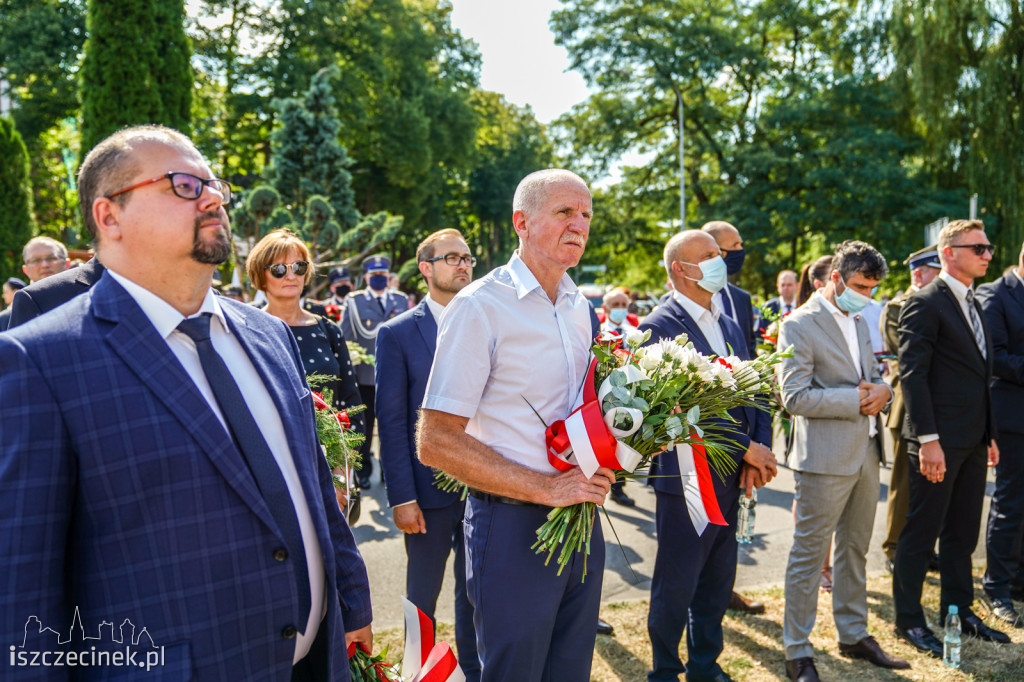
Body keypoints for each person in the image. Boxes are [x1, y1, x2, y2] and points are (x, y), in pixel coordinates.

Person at [0, 125, 372, 680]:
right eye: (183, 184)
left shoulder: (268, 335)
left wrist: (351, 600)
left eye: (212, 183)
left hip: (315, 662)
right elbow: (23, 596)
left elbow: (313, 486)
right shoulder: (40, 361)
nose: (215, 197)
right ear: (109, 217)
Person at [416, 169, 614, 682]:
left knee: (570, 671)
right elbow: (436, 441)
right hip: (511, 527)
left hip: (581, 519)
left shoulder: (579, 307)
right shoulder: (479, 306)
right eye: (565, 212)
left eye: (586, 214)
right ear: (521, 222)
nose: (579, 225)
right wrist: (545, 488)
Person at [641, 229, 776, 682]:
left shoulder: (729, 319)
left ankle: (705, 665)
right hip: (686, 479)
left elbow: (755, 386)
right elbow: (676, 410)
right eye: (710, 255)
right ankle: (664, 669)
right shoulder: (659, 328)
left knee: (718, 581)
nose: (721, 260)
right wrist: (748, 448)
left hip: (733, 475)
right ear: (681, 269)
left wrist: (761, 449)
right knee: (676, 584)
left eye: (720, 253)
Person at [779, 240, 908, 682]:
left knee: (855, 550)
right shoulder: (800, 323)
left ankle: (853, 633)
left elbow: (872, 378)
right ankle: (797, 648)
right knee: (809, 557)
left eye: (873, 288)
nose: (867, 295)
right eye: (859, 286)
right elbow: (793, 396)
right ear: (834, 277)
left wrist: (885, 390)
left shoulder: (859, 318)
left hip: (866, 453)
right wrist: (856, 400)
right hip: (823, 458)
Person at [893, 219, 1008, 657]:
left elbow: (981, 377)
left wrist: (989, 434)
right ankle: (909, 621)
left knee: (962, 534)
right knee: (920, 534)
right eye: (978, 247)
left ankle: (959, 611)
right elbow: (913, 376)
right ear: (948, 253)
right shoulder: (925, 302)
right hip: (936, 441)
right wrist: (928, 439)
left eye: (988, 247)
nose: (987, 255)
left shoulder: (973, 301)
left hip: (973, 440)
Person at [375, 228, 480, 680]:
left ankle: (476, 670)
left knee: (475, 591)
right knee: (423, 593)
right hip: (424, 494)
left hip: (484, 483)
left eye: (468, 258)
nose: (463, 265)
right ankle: (418, 670)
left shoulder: (484, 322)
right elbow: (392, 421)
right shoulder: (397, 334)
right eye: (451, 258)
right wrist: (400, 496)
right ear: (426, 269)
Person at [246, 229, 366, 515]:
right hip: (270, 475)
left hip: (329, 472)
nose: (290, 275)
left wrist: (340, 476)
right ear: (260, 275)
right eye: (278, 268)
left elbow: (351, 404)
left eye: (298, 266)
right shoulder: (246, 331)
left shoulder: (328, 330)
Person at [879, 245, 941, 571]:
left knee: (934, 484)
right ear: (919, 273)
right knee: (904, 484)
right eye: (935, 270)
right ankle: (893, 548)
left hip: (942, 405)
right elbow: (904, 351)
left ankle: (924, 546)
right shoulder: (898, 306)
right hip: (909, 407)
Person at [977, 241, 1024, 626]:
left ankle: (1020, 580)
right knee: (1009, 503)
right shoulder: (995, 294)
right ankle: (997, 588)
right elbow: (994, 357)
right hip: (1011, 418)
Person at [339, 254, 409, 489]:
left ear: (388, 277)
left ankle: (389, 474)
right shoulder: (354, 301)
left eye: (382, 275)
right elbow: (346, 338)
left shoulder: (400, 300)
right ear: (366, 277)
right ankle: (365, 472)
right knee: (365, 428)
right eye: (374, 275)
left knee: (392, 428)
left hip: (395, 376)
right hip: (366, 377)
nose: (379, 279)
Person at [600, 287, 638, 508]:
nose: (621, 310)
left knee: (626, 442)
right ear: (605, 308)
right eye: (616, 305)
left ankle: (618, 487)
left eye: (624, 305)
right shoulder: (600, 332)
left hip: (631, 396)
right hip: (608, 397)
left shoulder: (633, 331)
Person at [701, 221, 757, 355]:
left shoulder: (742, 298)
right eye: (735, 245)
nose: (741, 250)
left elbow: (749, 348)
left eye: (740, 244)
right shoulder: (693, 297)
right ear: (715, 251)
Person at [7, 255, 106, 330]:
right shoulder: (33, 299)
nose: (45, 265)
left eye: (51, 258)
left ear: (67, 263)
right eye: (36, 260)